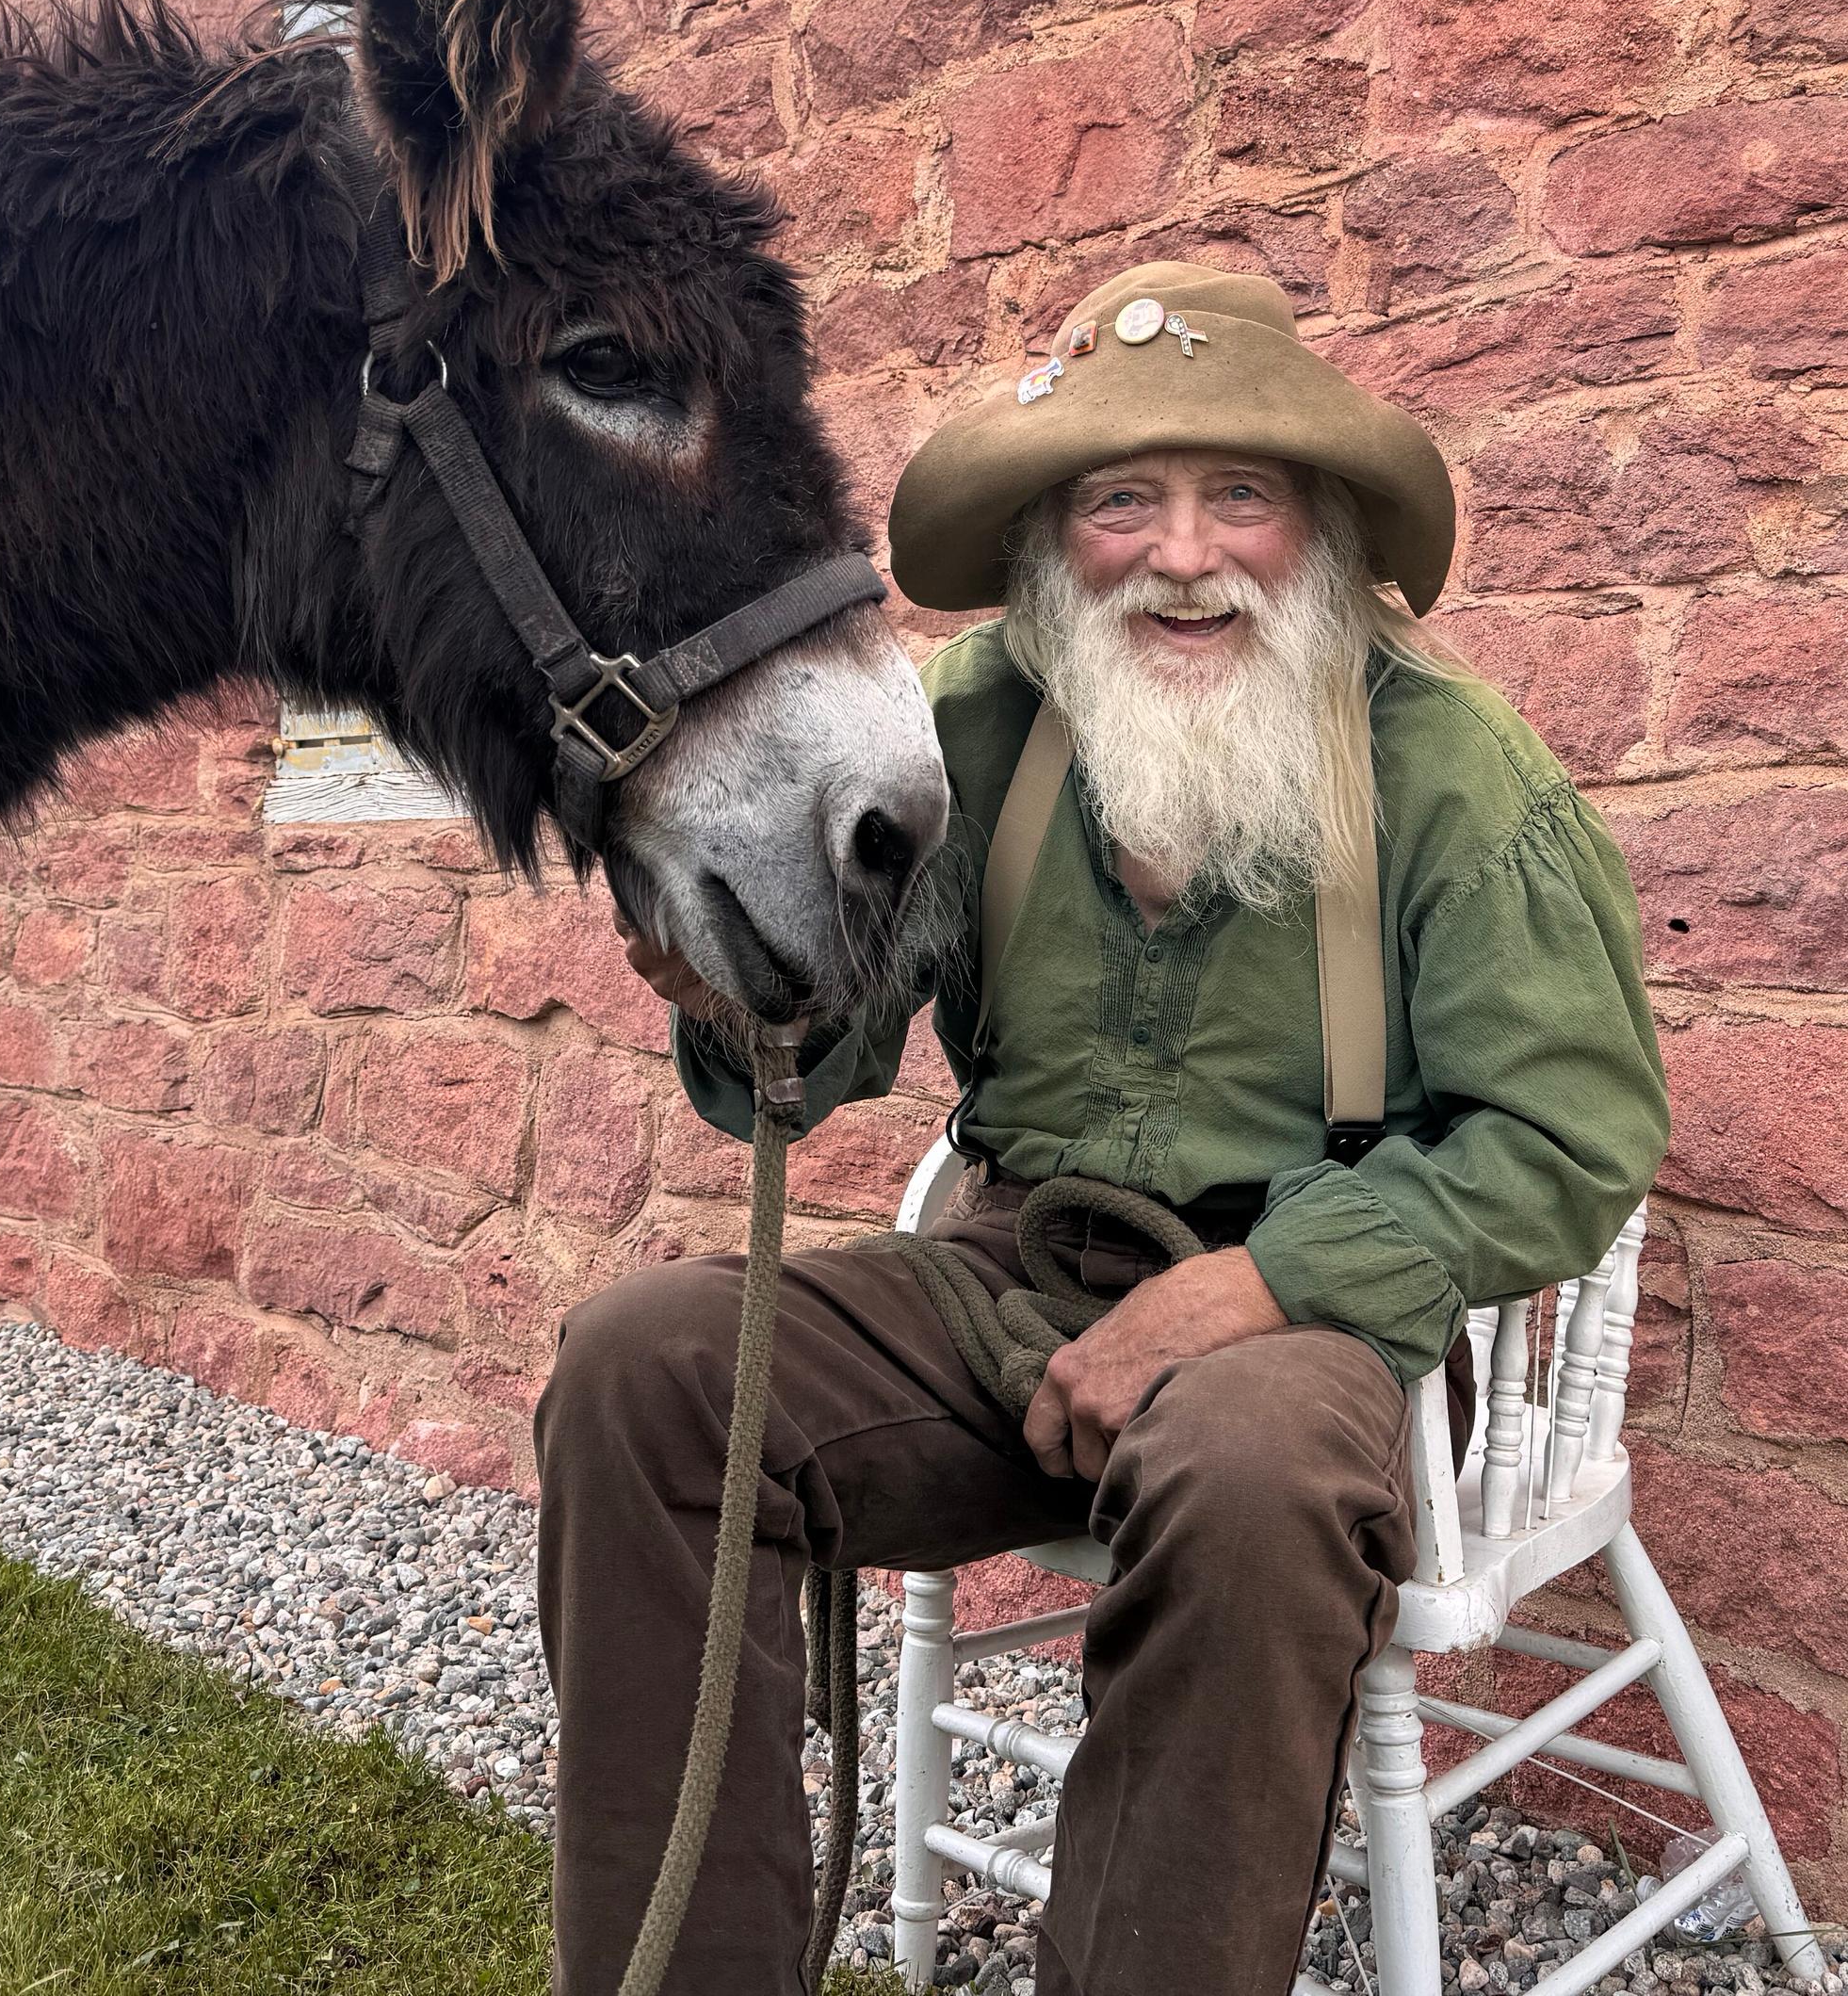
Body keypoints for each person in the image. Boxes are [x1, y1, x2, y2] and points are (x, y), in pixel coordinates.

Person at [537, 261, 1671, 1996]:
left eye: (1243, 498)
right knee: (643, 1372)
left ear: (1325, 532)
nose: (1184, 554)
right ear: (1055, 540)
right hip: (1014, 1275)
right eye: (1122, 502)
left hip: (1308, 1319)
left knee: (1246, 1476)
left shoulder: (1455, 772)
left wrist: (1259, 1287)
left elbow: (1574, 1136)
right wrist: (741, 994)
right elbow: (820, 1060)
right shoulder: (976, 727)